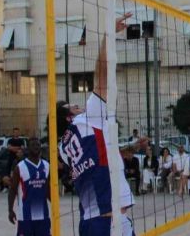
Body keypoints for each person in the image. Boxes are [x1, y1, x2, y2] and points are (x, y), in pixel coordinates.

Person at [56, 13, 143, 235]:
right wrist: (108, 36)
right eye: (72, 106)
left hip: (92, 219)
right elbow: (102, 74)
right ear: (69, 118)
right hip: (108, 221)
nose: (78, 105)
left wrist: (131, 147)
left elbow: (102, 153)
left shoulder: (63, 147)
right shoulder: (88, 119)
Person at [8, 138, 51, 236]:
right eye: (33, 145)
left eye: (38, 145)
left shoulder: (47, 165)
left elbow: (47, 188)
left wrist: (56, 205)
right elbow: (13, 190)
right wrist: (10, 210)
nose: (36, 147)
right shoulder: (20, 167)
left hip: (43, 215)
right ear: (27, 148)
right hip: (25, 216)